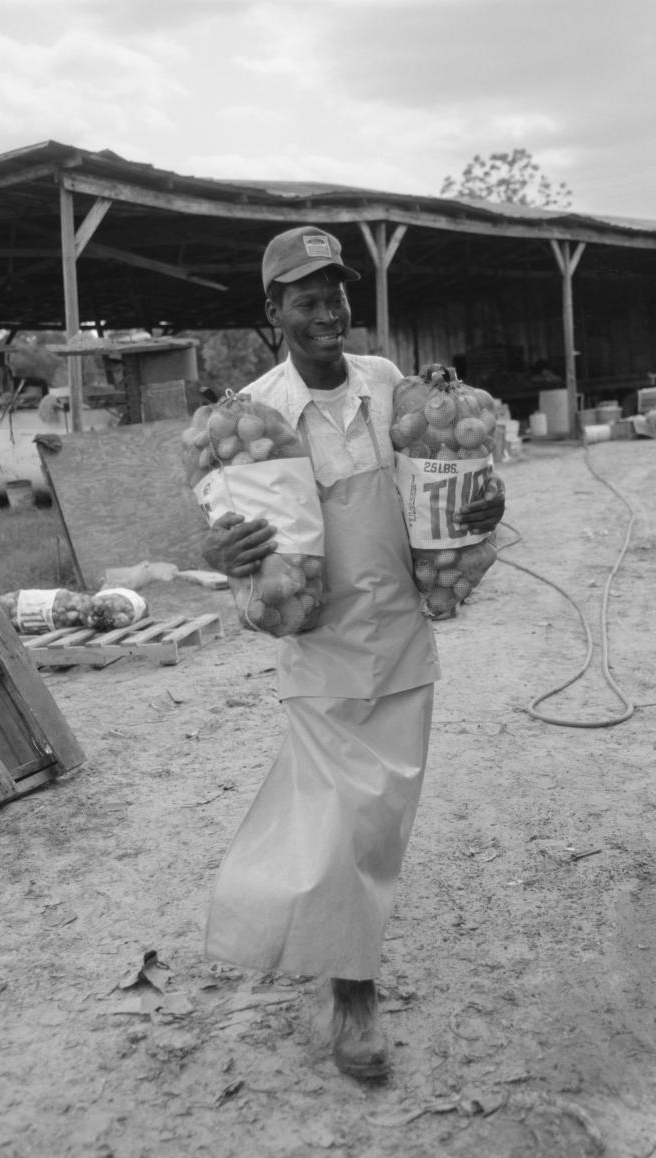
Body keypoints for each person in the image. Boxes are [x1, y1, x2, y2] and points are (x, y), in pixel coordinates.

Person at [200, 225, 505, 1082]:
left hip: (403, 634)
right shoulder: (256, 414)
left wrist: (476, 511)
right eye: (307, 296)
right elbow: (228, 538)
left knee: (380, 822)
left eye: (336, 292)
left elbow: (446, 488)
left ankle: (338, 957)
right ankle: (354, 997)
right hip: (321, 646)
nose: (328, 309)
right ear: (275, 312)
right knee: (340, 825)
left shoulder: (389, 386)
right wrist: (221, 559)